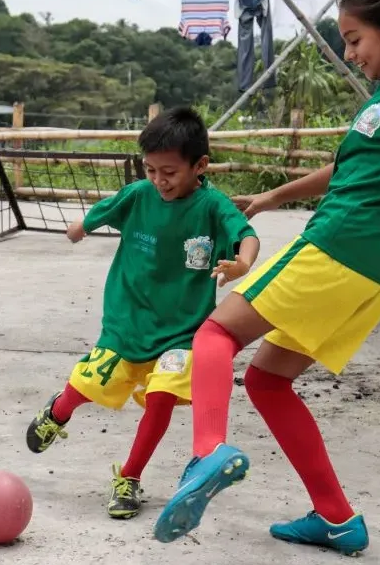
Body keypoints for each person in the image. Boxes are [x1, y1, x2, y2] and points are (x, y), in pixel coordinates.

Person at [152, 0, 380, 553]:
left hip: (338, 249)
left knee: (214, 335)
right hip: (364, 268)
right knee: (268, 382)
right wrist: (272, 197)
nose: (349, 53)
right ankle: (337, 518)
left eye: (354, 39)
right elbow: (345, 172)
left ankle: (207, 452)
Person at [25, 105, 261, 520]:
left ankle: (130, 477)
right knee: (89, 384)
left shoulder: (212, 206)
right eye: (150, 169)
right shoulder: (139, 195)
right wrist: (80, 228)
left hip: (180, 332)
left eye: (168, 171)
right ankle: (58, 411)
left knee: (162, 397)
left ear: (200, 165)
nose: (158, 180)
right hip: (126, 323)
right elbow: (104, 210)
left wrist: (242, 264)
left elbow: (247, 235)